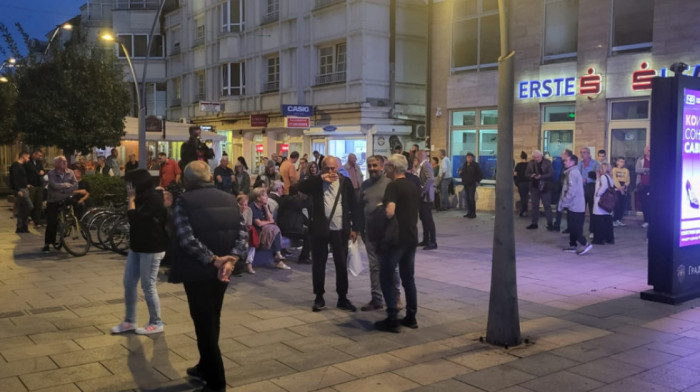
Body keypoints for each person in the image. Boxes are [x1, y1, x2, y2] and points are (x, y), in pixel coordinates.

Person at [167, 161, 246, 392]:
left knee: (203, 323)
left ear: (187, 180)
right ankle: (204, 365)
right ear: (210, 176)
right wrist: (231, 259)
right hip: (224, 270)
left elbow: (186, 237)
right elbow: (242, 232)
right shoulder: (230, 198)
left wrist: (213, 259)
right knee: (214, 317)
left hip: (198, 270)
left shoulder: (184, 200)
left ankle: (216, 381)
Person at [296, 155, 360, 312]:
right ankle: (319, 297)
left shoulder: (345, 183)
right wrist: (320, 179)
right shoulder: (317, 183)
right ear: (322, 168)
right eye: (327, 169)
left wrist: (356, 228)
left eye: (333, 168)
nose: (330, 172)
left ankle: (342, 297)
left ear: (338, 168)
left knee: (341, 264)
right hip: (320, 230)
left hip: (340, 229)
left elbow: (354, 205)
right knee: (319, 264)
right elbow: (300, 187)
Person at [111, 169, 168, 335]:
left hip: (151, 248)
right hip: (137, 247)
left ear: (138, 185)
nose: (127, 188)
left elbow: (136, 220)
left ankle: (156, 322)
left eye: (130, 185)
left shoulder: (153, 199)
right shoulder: (141, 198)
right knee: (128, 282)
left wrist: (130, 200)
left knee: (148, 286)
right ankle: (129, 321)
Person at [374, 154, 420, 332]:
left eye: (386, 166)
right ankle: (411, 316)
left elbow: (390, 212)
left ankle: (392, 316)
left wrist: (382, 208)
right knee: (408, 277)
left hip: (396, 239)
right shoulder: (413, 185)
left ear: (393, 168)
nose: (384, 169)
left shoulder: (393, 186)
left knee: (386, 275)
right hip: (411, 237)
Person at [360, 156, 401, 311]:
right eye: (369, 166)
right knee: (374, 267)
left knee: (391, 266)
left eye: (375, 165)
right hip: (370, 233)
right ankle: (376, 299)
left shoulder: (390, 185)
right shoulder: (365, 185)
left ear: (382, 166)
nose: (372, 168)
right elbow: (360, 208)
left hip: (387, 234)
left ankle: (396, 297)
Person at [249, 187, 291, 270]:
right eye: (264, 196)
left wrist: (266, 208)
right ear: (258, 198)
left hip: (268, 230)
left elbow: (271, 219)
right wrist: (269, 222)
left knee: (274, 229)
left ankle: (278, 256)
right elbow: (259, 223)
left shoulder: (265, 206)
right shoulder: (252, 207)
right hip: (257, 231)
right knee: (275, 229)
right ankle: (278, 255)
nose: (267, 198)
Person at [558, 155, 592, 255]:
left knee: (574, 227)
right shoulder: (573, 172)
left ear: (572, 162)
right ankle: (573, 245)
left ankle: (585, 243)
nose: (564, 162)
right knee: (572, 226)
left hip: (575, 206)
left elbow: (571, 191)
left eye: (567, 160)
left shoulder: (572, 173)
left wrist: (564, 202)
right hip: (574, 205)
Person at [43, 156, 78, 253]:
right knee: (51, 222)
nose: (65, 163)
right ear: (57, 164)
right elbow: (54, 185)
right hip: (54, 200)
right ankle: (47, 243)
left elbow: (75, 185)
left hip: (66, 198)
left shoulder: (70, 172)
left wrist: (63, 190)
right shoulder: (51, 173)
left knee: (76, 206)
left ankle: (70, 227)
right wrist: (67, 185)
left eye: (66, 161)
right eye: (62, 161)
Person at [526, 150, 554, 230]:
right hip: (534, 187)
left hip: (545, 187)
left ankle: (550, 223)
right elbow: (526, 174)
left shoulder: (547, 162)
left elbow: (551, 173)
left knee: (547, 206)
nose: (536, 159)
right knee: (534, 206)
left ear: (541, 156)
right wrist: (531, 175)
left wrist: (541, 176)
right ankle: (534, 223)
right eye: (534, 157)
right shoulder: (531, 163)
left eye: (538, 157)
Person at [416, 150, 437, 250]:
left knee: (428, 219)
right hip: (422, 197)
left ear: (420, 156)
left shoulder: (426, 165)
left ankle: (433, 241)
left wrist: (423, 191)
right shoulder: (421, 166)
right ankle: (425, 239)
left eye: (416, 156)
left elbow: (430, 179)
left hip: (426, 197)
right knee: (423, 218)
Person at [592, 163, 615, 245]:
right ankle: (609, 238)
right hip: (607, 203)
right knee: (607, 221)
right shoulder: (610, 177)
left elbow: (603, 186)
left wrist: (598, 193)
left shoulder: (603, 177)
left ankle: (599, 239)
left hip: (601, 201)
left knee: (599, 221)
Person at [10, 151, 32, 233]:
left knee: (22, 208)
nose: (28, 159)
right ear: (23, 156)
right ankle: (22, 224)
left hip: (24, 188)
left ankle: (21, 227)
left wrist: (27, 184)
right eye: (28, 157)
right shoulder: (16, 166)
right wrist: (18, 190)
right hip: (21, 190)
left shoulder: (22, 166)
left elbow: (22, 178)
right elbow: (14, 179)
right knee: (29, 206)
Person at [553, 149, 573, 232]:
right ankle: (557, 224)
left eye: (562, 154)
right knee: (559, 206)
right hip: (560, 187)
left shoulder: (570, 164)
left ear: (567, 155)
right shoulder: (560, 163)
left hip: (567, 188)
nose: (561, 155)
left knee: (568, 209)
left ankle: (570, 227)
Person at [458, 152, 483, 219]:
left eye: (470, 157)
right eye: (467, 157)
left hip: (472, 184)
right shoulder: (465, 165)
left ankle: (473, 213)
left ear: (472, 158)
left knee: (471, 198)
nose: (469, 159)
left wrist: (477, 181)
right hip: (466, 184)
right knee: (467, 198)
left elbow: (480, 174)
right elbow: (462, 172)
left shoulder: (475, 165)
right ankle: (469, 212)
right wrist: (460, 172)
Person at [24, 149, 45, 228]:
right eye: (39, 155)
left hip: (39, 185)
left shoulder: (39, 162)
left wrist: (42, 172)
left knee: (38, 204)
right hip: (31, 185)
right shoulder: (28, 162)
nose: (40, 157)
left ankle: (37, 221)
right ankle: (27, 219)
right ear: (34, 154)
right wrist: (26, 184)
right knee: (30, 204)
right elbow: (24, 174)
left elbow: (42, 169)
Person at [578, 147, 600, 219]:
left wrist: (587, 180)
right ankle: (579, 227)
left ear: (589, 154)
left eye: (584, 152)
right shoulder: (579, 164)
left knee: (592, 208)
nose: (582, 154)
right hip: (581, 188)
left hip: (591, 187)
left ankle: (593, 228)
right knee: (581, 208)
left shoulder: (595, 163)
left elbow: (598, 176)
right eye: (581, 152)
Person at [237, 194, 256, 274]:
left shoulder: (249, 210)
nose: (244, 206)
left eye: (245, 204)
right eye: (242, 204)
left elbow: (249, 224)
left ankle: (249, 264)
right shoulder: (234, 210)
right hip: (236, 231)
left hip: (245, 232)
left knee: (251, 243)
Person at [612, 157, 630, 227]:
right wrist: (620, 188)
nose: (622, 163)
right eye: (621, 161)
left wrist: (624, 186)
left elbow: (628, 180)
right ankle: (614, 219)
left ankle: (619, 219)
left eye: (623, 162)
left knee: (622, 205)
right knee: (617, 205)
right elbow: (614, 179)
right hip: (617, 189)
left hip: (624, 188)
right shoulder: (614, 170)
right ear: (617, 162)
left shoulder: (626, 170)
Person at [636, 145, 651, 228]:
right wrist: (647, 170)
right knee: (644, 203)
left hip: (651, 185)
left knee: (650, 203)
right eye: (648, 150)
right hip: (642, 185)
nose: (649, 151)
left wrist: (644, 170)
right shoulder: (641, 159)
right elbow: (637, 169)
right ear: (645, 151)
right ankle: (646, 220)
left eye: (650, 150)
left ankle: (651, 220)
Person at [513, 151, 530, 218]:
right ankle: (524, 211)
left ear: (521, 157)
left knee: (522, 197)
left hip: (520, 183)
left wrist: (516, 182)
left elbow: (515, 174)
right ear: (526, 157)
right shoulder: (528, 165)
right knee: (526, 197)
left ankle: (523, 211)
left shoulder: (518, 165)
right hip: (528, 183)